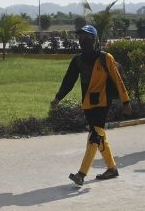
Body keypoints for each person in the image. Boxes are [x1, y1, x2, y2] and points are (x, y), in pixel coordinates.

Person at [51, 25, 132, 186]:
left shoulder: (105, 57)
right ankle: (112, 168)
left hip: (103, 101)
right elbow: (69, 81)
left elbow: (118, 80)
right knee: (99, 135)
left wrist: (126, 101)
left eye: (87, 37)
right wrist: (58, 98)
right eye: (81, 37)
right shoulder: (77, 60)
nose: (83, 40)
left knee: (94, 136)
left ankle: (81, 174)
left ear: (94, 39)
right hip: (88, 102)